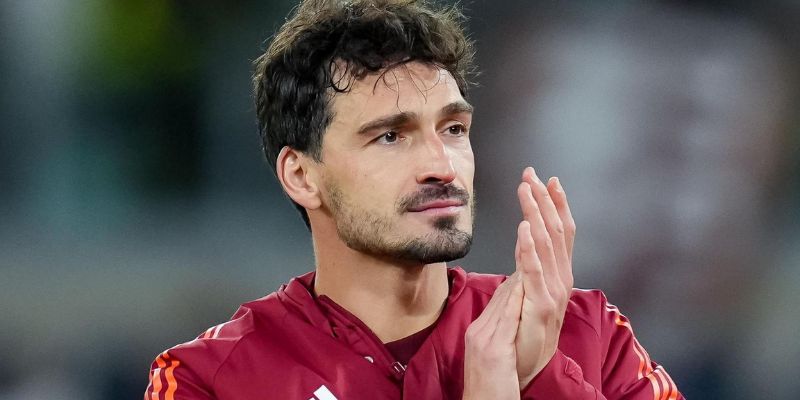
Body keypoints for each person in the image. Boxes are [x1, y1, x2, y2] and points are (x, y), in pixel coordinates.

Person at [144, 0, 683, 398]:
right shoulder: (209, 379)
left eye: (453, 129)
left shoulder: (588, 334)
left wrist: (542, 379)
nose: (442, 166)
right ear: (302, 175)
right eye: (390, 136)